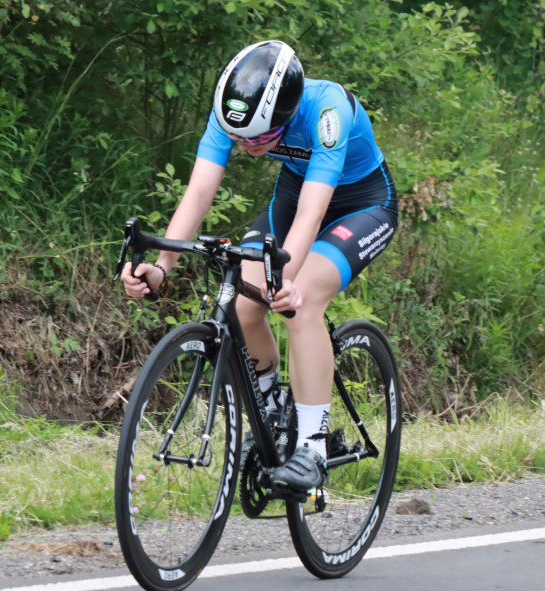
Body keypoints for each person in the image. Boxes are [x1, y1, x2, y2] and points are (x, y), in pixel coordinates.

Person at [120, 40, 398, 494]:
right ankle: (271, 416)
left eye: (259, 139)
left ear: (286, 117)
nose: (247, 146)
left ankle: (312, 449)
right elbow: (199, 192)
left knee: (299, 303)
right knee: (243, 303)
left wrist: (286, 280)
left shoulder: (327, 113)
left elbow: (313, 212)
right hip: (294, 195)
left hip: (360, 205)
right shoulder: (230, 111)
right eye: (239, 139)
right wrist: (162, 265)